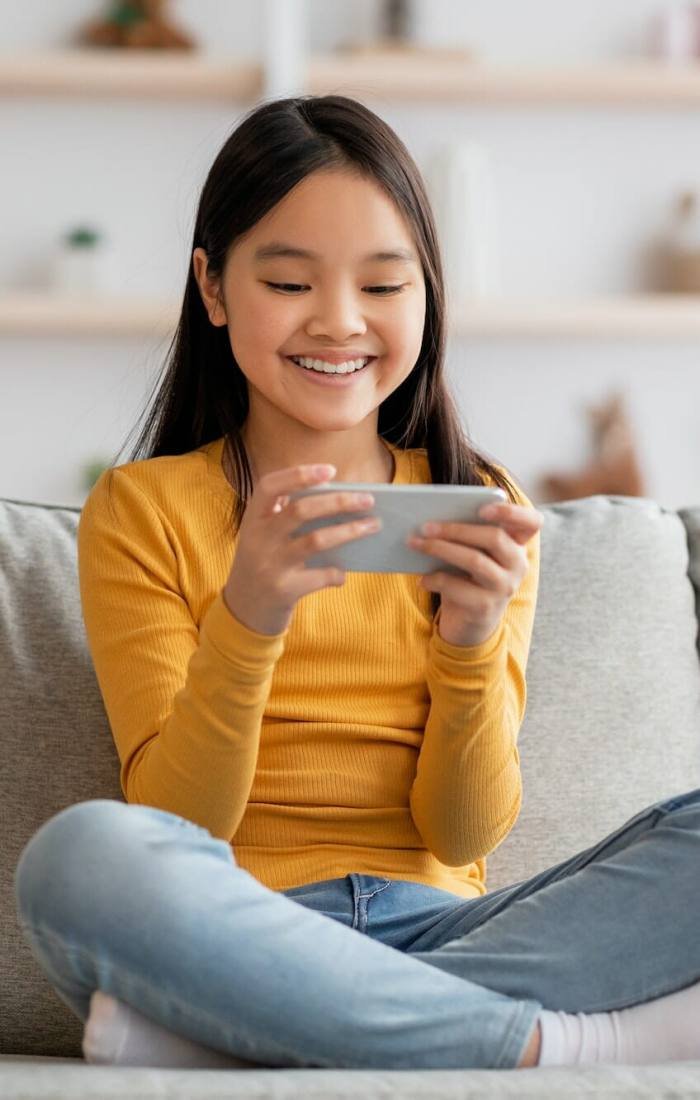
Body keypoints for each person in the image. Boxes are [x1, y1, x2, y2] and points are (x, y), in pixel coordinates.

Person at [14, 94, 700, 1073]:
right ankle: (554, 1040)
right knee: (76, 859)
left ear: (427, 295)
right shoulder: (144, 508)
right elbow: (174, 825)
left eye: (383, 284)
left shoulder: (479, 503)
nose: (338, 321)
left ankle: (242, 1028)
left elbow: (462, 830)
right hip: (241, 926)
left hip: (452, 932)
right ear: (211, 286)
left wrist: (468, 644)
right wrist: (248, 616)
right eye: (289, 280)